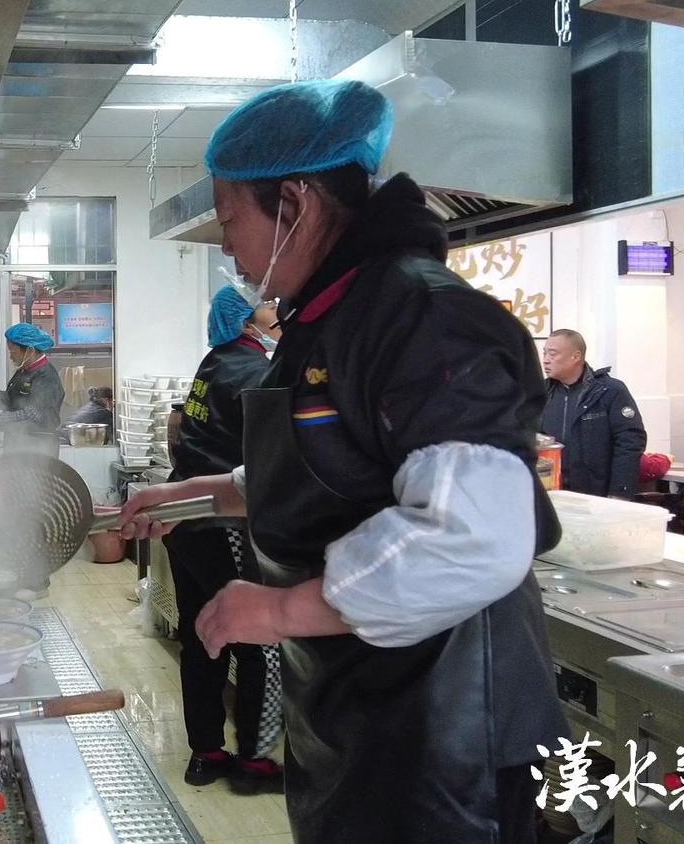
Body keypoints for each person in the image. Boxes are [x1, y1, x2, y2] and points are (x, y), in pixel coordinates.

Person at [110, 79, 565, 843]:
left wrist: (278, 609)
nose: (226, 247)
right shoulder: (330, 316)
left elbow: (470, 539)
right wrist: (202, 494)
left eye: (230, 219)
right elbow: (333, 470)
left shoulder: (423, 317)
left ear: (294, 203)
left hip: (442, 737)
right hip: (359, 718)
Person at [163, 285, 284, 795]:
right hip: (224, 524)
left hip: (186, 520)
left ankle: (207, 752)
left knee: (202, 635)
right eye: (270, 305)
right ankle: (255, 761)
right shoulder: (255, 371)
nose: (278, 311)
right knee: (261, 642)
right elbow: (273, 458)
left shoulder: (215, 362)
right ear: (247, 319)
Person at [540, 329, 648, 498]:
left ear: (575, 357)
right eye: (544, 353)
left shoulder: (609, 391)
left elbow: (629, 442)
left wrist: (620, 491)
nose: (546, 360)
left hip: (597, 493)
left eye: (553, 354)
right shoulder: (541, 393)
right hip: (552, 491)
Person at [0, 323, 66, 455]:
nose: (11, 356)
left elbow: (33, 414)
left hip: (38, 450)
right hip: (18, 445)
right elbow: (11, 400)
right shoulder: (24, 371)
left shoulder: (47, 377)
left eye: (13, 352)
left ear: (30, 351)